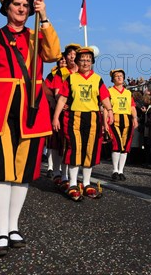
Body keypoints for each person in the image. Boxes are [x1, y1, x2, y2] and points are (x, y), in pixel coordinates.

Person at [0, 0, 61, 257]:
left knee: (24, 170)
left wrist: (45, 18)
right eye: (17, 4)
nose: (22, 9)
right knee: (0, 167)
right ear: (6, 7)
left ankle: (14, 225)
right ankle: (1, 230)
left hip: (32, 110)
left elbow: (54, 55)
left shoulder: (36, 36)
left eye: (26, 5)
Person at [52, 47, 114, 201]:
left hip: (93, 117)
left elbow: (104, 97)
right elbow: (62, 99)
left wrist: (110, 110)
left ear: (92, 62)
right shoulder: (71, 78)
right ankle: (73, 183)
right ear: (77, 61)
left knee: (90, 150)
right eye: (82, 59)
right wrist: (55, 117)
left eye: (88, 59)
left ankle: (86, 183)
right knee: (74, 148)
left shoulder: (97, 79)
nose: (85, 62)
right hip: (74, 117)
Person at [44, 43, 80, 188]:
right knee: (60, 143)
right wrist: (59, 103)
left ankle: (75, 178)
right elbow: (56, 92)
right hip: (62, 111)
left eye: (75, 54)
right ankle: (60, 173)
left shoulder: (84, 73)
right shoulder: (60, 73)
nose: (72, 57)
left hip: (79, 113)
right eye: (69, 54)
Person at [108, 69, 138, 181]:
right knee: (117, 144)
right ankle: (115, 170)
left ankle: (121, 170)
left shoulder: (128, 92)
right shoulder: (109, 91)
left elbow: (132, 107)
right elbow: (106, 106)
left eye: (121, 76)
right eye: (116, 76)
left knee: (125, 146)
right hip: (114, 119)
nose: (119, 77)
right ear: (113, 79)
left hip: (126, 119)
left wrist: (135, 118)